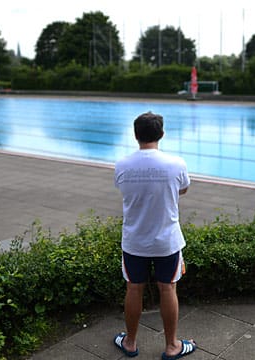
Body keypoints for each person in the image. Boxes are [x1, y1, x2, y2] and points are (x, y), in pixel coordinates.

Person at [112, 112, 197, 359]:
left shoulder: (122, 165)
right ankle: (172, 346)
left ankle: (129, 343)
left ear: (135, 135)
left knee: (134, 288)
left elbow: (124, 190)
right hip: (166, 241)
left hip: (134, 241)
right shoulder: (176, 164)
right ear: (161, 134)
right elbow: (183, 189)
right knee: (168, 289)